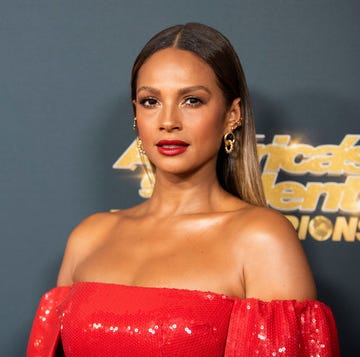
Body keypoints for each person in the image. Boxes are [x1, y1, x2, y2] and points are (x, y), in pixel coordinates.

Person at [27, 23, 339, 356]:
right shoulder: (89, 237)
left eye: (191, 100)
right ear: (136, 114)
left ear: (232, 115)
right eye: (151, 101)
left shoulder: (261, 240)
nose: (168, 121)